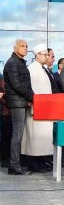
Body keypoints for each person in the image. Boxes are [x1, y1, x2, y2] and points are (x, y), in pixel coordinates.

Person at [3, 39, 34, 175]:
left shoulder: (19, 62)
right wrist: (32, 97)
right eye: (22, 46)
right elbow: (17, 85)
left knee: (19, 134)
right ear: (15, 48)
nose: (25, 48)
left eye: (26, 46)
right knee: (17, 134)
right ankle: (14, 165)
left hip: (21, 101)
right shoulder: (12, 63)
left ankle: (16, 164)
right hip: (17, 103)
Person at [22, 44, 53, 173]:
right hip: (36, 107)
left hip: (45, 107)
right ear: (38, 55)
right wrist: (34, 103)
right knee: (34, 137)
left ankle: (41, 161)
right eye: (45, 54)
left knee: (43, 138)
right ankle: (33, 163)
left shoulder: (42, 68)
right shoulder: (31, 69)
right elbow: (31, 89)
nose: (47, 57)